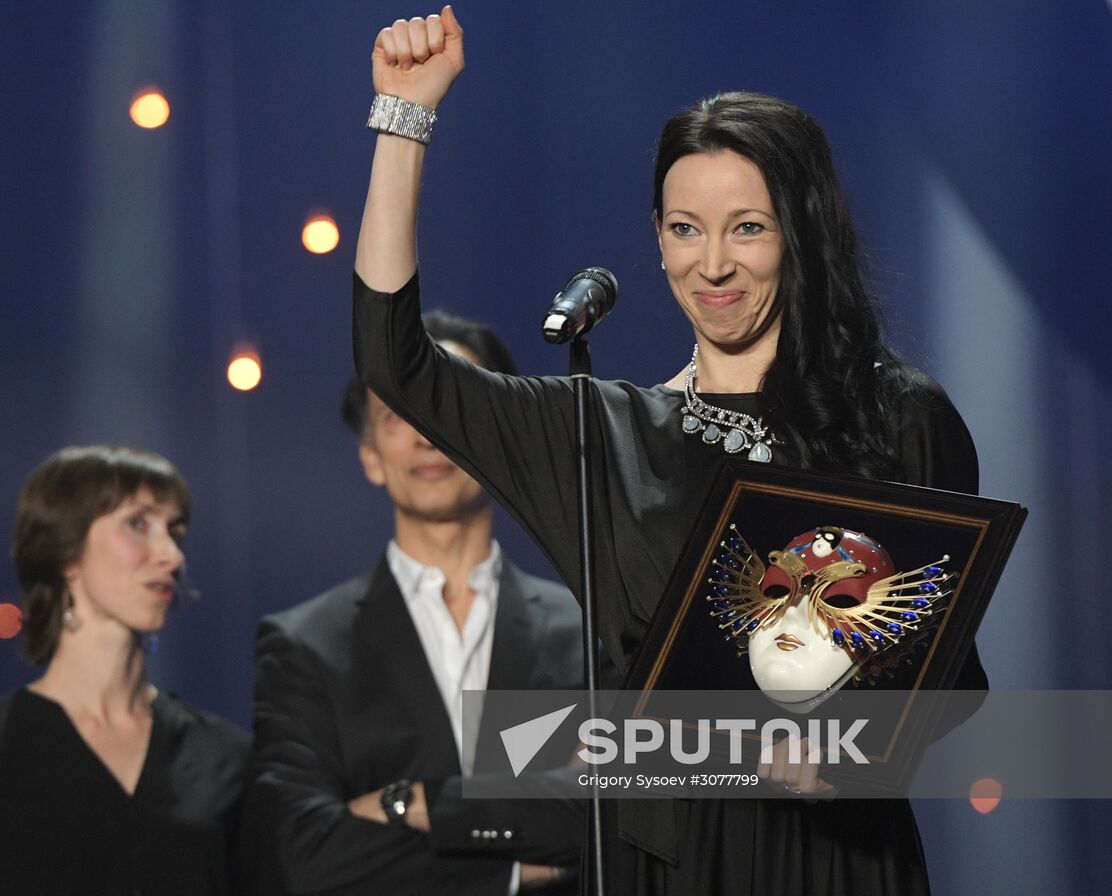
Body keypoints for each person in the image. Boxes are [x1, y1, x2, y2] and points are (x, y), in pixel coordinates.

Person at [349, 7, 989, 894]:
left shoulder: (897, 416)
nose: (713, 265)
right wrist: (404, 118)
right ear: (656, 240)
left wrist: (853, 751)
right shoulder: (598, 434)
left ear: (800, 234)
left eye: (748, 228)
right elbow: (396, 363)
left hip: (836, 860)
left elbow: (955, 685)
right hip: (665, 861)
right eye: (685, 228)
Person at [249, 311, 586, 894]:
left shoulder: (588, 630)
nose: (428, 432)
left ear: (504, 436)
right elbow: (303, 852)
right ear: (370, 455)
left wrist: (408, 803)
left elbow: (611, 819)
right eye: (398, 413)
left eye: (451, 403)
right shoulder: (306, 644)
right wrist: (508, 871)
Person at [0, 445, 249, 896]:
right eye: (138, 524)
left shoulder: (223, 757)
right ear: (66, 550)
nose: (170, 555)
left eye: (175, 532)